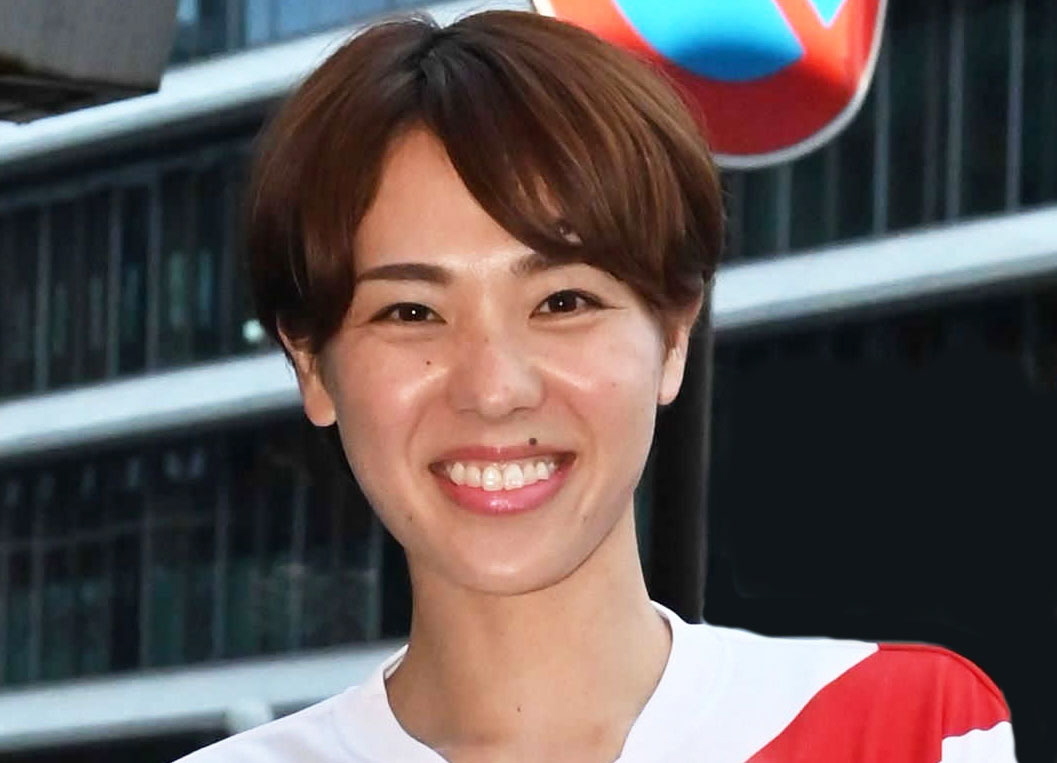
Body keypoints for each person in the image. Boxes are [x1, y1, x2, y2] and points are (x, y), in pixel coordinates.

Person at [178, 9, 1015, 762]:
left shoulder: (904, 731)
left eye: (562, 301)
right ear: (311, 364)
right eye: (410, 312)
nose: (494, 388)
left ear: (673, 334)